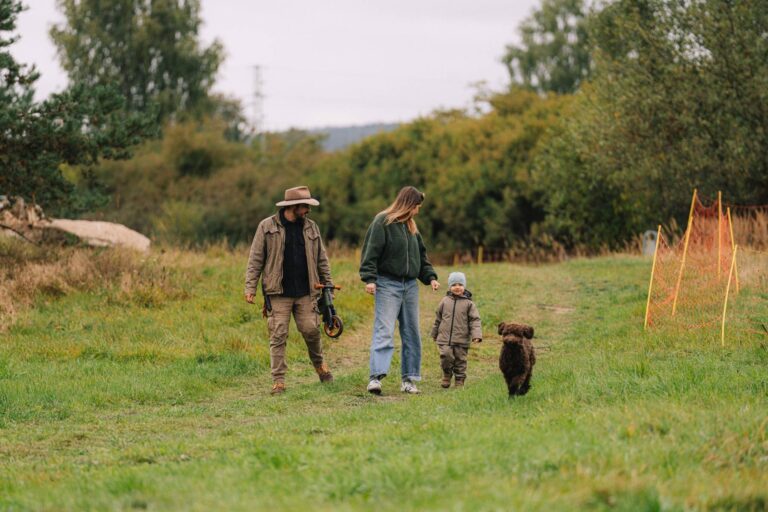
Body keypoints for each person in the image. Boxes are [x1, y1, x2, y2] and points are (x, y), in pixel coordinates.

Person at [245, 186, 334, 395]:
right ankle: (278, 381)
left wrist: (328, 285)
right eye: (305, 206)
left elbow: (322, 259)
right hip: (278, 292)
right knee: (278, 334)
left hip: (306, 291)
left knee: (311, 330)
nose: (308, 211)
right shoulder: (266, 227)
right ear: (293, 207)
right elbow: (255, 259)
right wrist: (250, 287)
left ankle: (320, 366)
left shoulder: (312, 228)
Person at [359, 186, 440, 395]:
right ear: (408, 204)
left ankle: (409, 380)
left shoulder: (412, 227)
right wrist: (369, 278)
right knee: (384, 330)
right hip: (387, 284)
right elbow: (371, 251)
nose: (418, 211)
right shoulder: (382, 221)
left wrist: (430, 277)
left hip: (410, 286)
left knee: (411, 332)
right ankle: (375, 378)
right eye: (416, 206)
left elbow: (421, 257)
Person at [431, 271, 482, 388]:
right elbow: (438, 319)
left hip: (461, 338)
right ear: (450, 287)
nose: (457, 287)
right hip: (444, 338)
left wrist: (476, 335)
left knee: (460, 360)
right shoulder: (444, 301)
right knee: (445, 356)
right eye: (454, 285)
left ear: (464, 286)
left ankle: (459, 379)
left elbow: (475, 320)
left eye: (460, 284)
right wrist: (434, 333)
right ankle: (447, 375)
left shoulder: (469, 304)